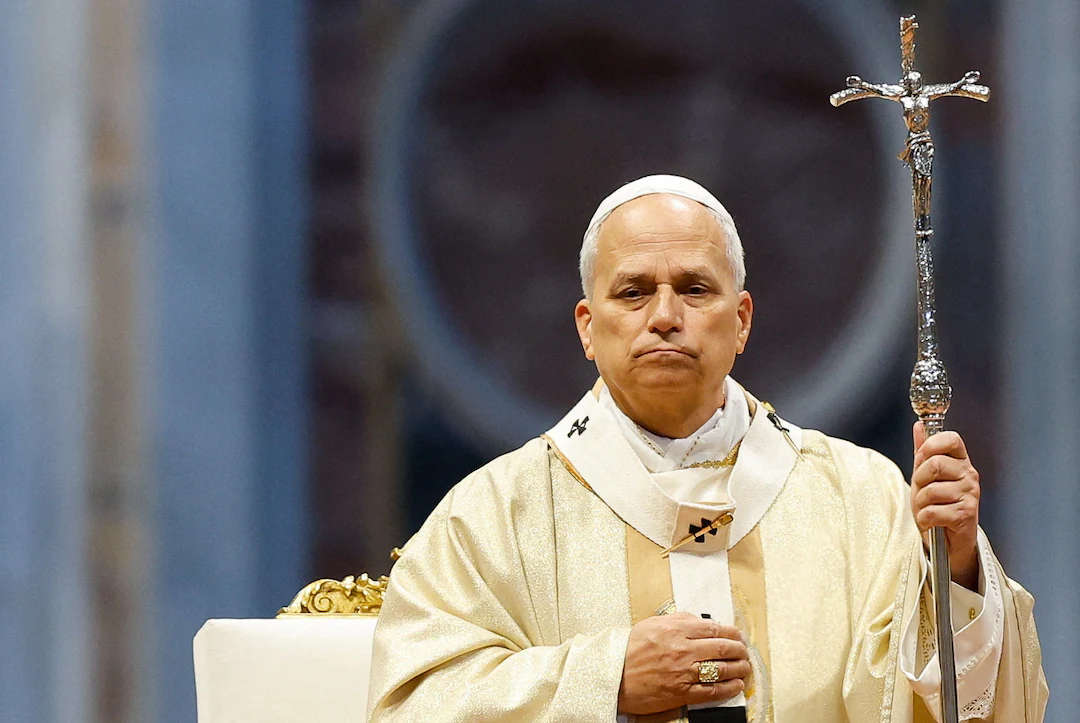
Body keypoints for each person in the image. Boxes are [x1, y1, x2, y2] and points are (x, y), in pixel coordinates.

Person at [366, 175, 1047, 722]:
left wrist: (957, 565)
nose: (665, 316)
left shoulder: (861, 496)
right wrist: (607, 680)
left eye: (694, 289)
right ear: (587, 327)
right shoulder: (492, 517)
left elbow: (964, 701)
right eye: (633, 292)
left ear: (741, 319)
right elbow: (410, 704)